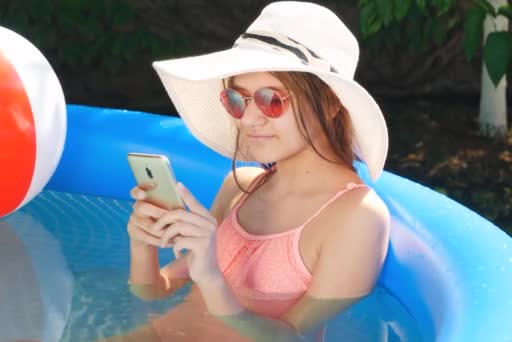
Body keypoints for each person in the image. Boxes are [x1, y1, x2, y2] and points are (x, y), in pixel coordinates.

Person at [107, 1, 390, 341]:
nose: (250, 120)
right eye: (238, 100)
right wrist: (143, 244)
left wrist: (212, 279)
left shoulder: (356, 217)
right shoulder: (239, 186)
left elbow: (291, 336)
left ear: (330, 103)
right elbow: (152, 291)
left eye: (272, 100)